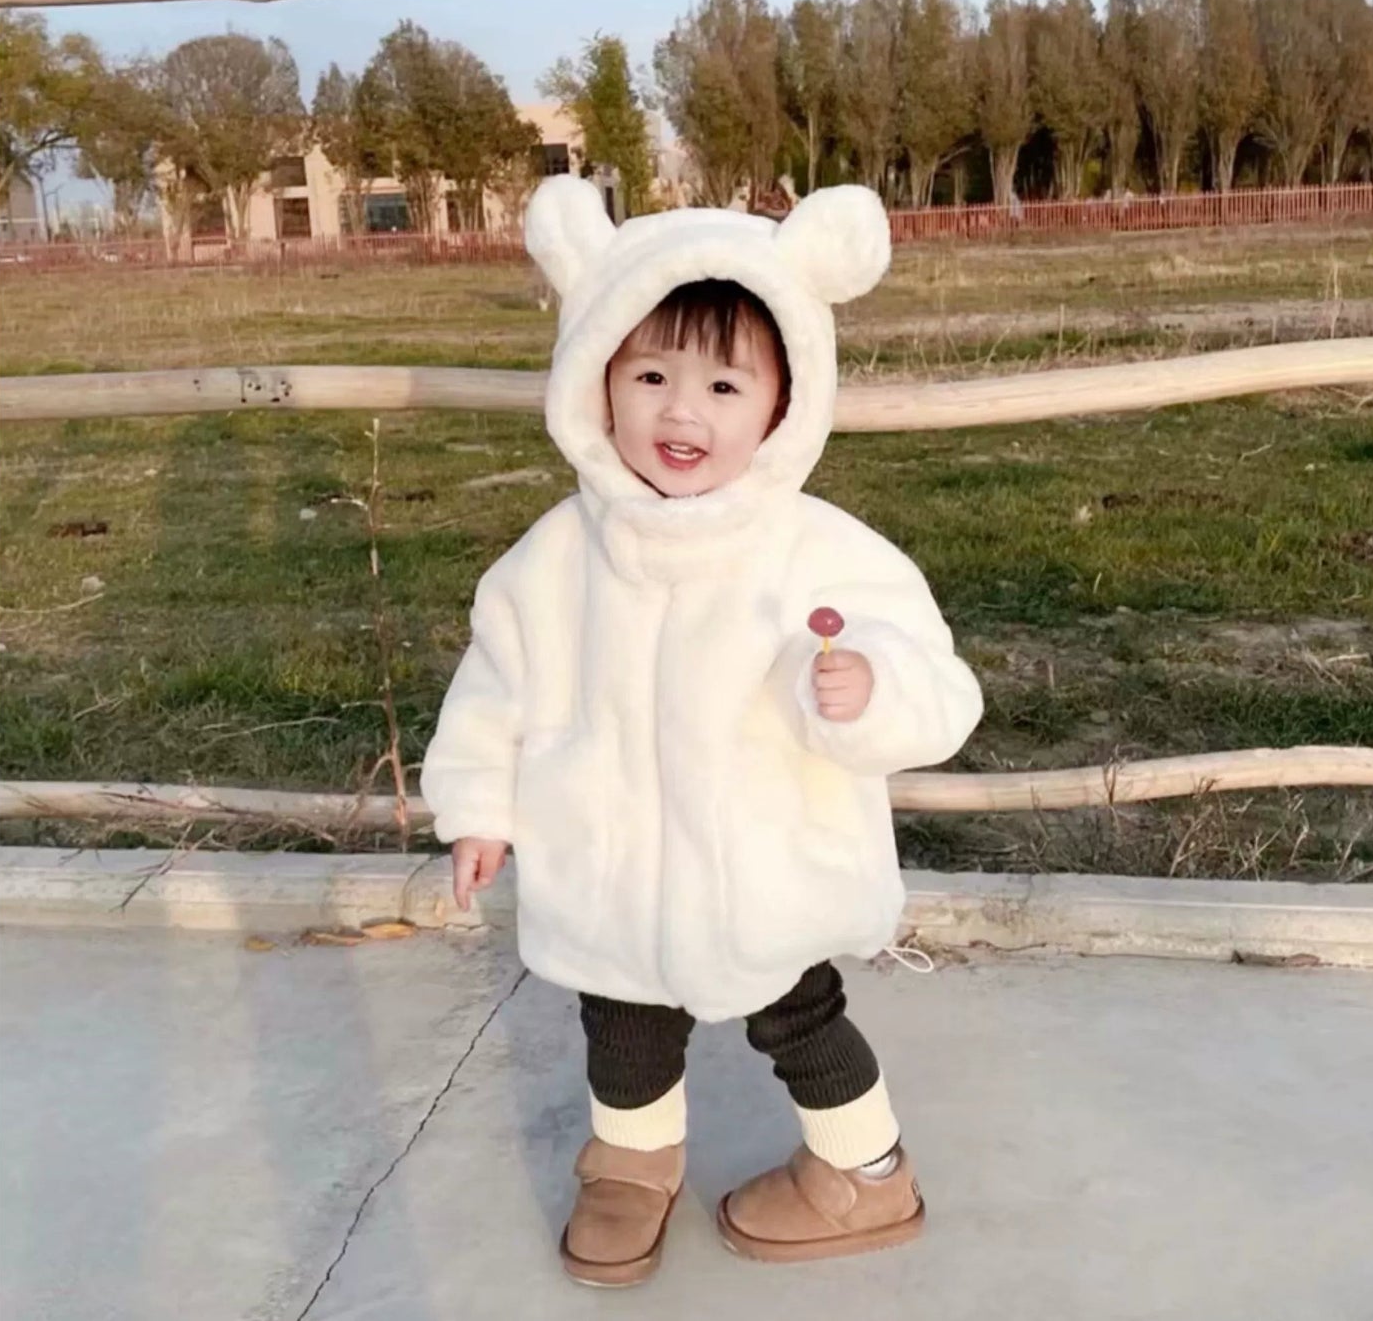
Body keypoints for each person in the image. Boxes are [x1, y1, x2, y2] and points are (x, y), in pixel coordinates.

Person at [421, 175, 984, 1287]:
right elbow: (497, 678)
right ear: (596, 380)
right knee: (621, 1023)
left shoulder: (818, 546)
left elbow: (933, 673)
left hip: (763, 863)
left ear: (783, 400)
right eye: (648, 376)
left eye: (724, 382)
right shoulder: (556, 553)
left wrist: (869, 687)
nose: (682, 413)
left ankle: (865, 1168)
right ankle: (632, 1162)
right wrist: (479, 804)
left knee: (801, 1013)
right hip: (611, 858)